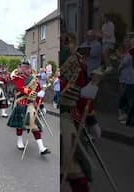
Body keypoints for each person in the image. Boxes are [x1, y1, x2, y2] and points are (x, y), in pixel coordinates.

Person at [60, 33, 101, 192]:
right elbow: (77, 92)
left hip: (69, 117)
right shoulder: (74, 59)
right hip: (66, 120)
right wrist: (91, 119)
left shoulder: (74, 58)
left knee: (73, 172)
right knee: (74, 172)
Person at [7, 60, 50, 156]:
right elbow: (20, 88)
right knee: (20, 125)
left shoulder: (34, 79)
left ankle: (41, 148)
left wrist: (41, 102)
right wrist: (34, 93)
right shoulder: (17, 78)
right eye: (24, 68)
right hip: (21, 103)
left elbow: (38, 92)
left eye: (27, 68)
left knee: (34, 126)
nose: (26, 69)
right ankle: (19, 140)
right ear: (22, 68)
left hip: (31, 105)